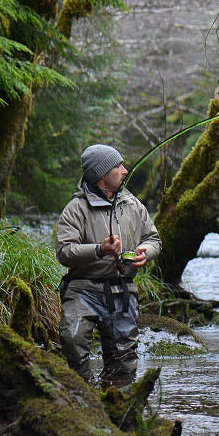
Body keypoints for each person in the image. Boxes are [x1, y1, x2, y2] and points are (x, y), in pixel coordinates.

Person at [54, 144, 161, 381]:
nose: (124, 170)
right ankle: (81, 396)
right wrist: (100, 250)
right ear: (102, 174)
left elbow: (154, 239)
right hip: (83, 289)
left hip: (122, 289)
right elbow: (64, 252)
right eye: (118, 166)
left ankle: (116, 402)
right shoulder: (76, 208)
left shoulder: (133, 204)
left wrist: (146, 251)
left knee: (124, 358)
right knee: (72, 343)